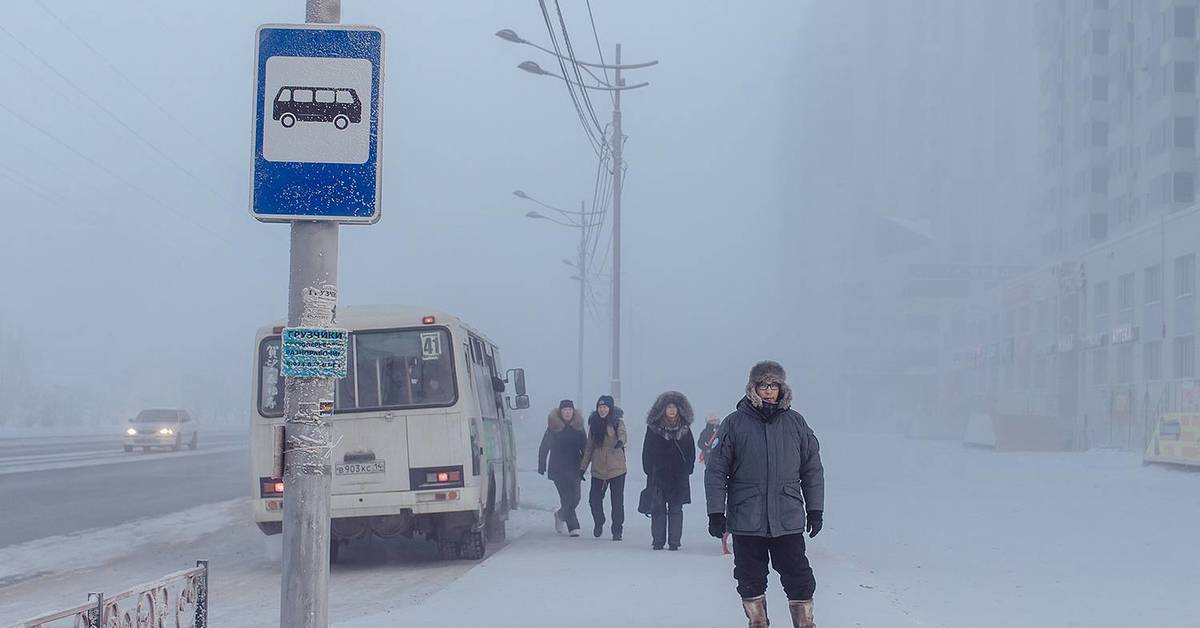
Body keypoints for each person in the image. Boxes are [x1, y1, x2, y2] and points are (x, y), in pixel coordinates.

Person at [704, 361, 825, 628]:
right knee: (749, 579)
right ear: (753, 388)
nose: (768, 391)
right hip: (748, 519)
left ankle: (804, 624)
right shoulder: (734, 424)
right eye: (763, 385)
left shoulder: (796, 423)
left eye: (773, 385)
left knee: (800, 579)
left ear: (782, 389)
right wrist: (716, 512)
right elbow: (716, 471)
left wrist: (815, 509)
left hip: (787, 518)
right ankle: (758, 623)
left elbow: (812, 469)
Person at [641, 391, 696, 551]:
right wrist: (649, 470)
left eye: (674, 407)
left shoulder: (685, 428)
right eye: (668, 407)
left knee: (676, 508)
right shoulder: (653, 428)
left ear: (679, 409)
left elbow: (690, 450)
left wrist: (688, 469)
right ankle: (658, 541)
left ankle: (674, 541)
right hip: (658, 474)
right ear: (662, 409)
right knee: (658, 508)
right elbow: (647, 451)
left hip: (679, 475)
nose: (672, 410)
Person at [580, 395, 628, 540]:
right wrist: (582, 468)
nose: (602, 410)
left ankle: (617, 530)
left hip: (617, 468)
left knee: (617, 501)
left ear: (610, 408)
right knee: (594, 500)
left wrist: (620, 442)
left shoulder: (617, 422)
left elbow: (623, 435)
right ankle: (599, 521)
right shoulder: (594, 425)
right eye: (600, 407)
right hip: (598, 468)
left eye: (605, 407)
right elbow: (589, 448)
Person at [538, 400, 587, 536]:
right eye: (564, 410)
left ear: (573, 412)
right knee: (567, 497)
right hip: (558, 468)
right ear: (560, 412)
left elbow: (585, 447)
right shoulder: (553, 427)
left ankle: (560, 515)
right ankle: (573, 527)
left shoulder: (579, 427)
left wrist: (586, 465)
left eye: (569, 410)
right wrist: (541, 463)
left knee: (576, 497)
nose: (567, 412)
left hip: (575, 468)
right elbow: (544, 446)